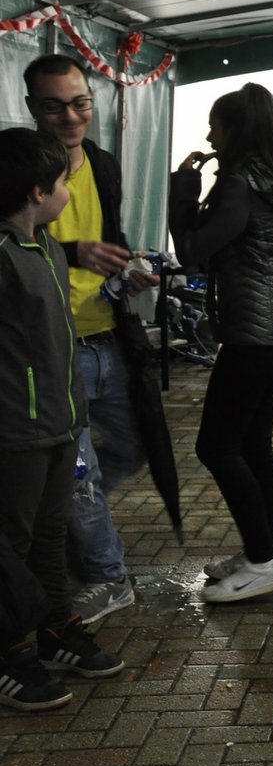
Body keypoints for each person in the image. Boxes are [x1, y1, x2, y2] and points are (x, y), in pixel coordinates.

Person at [0, 127, 123, 710]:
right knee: (12, 544)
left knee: (50, 536)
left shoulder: (44, 246)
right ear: (34, 192)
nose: (68, 190)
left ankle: (52, 632)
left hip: (58, 424)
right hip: (15, 432)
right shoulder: (3, 255)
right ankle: (9, 652)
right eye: (60, 183)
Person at [169, 84, 273, 603]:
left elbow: (191, 250)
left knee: (216, 446)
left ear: (236, 131)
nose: (208, 135)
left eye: (215, 126)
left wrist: (183, 185)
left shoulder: (240, 183)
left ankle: (264, 563)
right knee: (251, 445)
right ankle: (259, 552)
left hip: (255, 334)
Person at [28, 54, 145, 625]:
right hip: (55, 347)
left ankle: (69, 525)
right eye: (54, 106)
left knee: (130, 449)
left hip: (109, 335)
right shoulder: (17, 166)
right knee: (81, 475)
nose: (70, 116)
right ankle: (107, 576)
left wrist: (126, 268)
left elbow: (108, 238)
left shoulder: (103, 164)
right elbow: (14, 244)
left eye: (80, 103)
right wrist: (76, 254)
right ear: (33, 110)